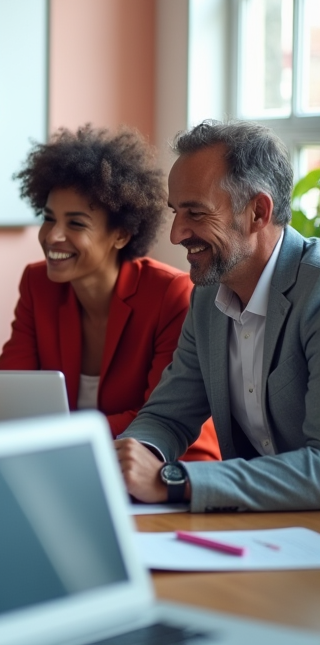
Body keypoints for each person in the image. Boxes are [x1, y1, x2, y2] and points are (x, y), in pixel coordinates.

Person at [116, 120, 320, 512]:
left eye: (195, 212)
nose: (176, 234)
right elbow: (167, 416)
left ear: (258, 212)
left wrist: (175, 480)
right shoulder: (209, 298)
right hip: (262, 530)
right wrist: (132, 457)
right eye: (176, 212)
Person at [0, 126, 220, 461]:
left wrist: (51, 434)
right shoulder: (37, 283)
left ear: (121, 234)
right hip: (66, 463)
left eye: (76, 224)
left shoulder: (169, 294)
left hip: (164, 468)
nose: (53, 236)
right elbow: (7, 395)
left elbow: (161, 420)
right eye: (48, 218)